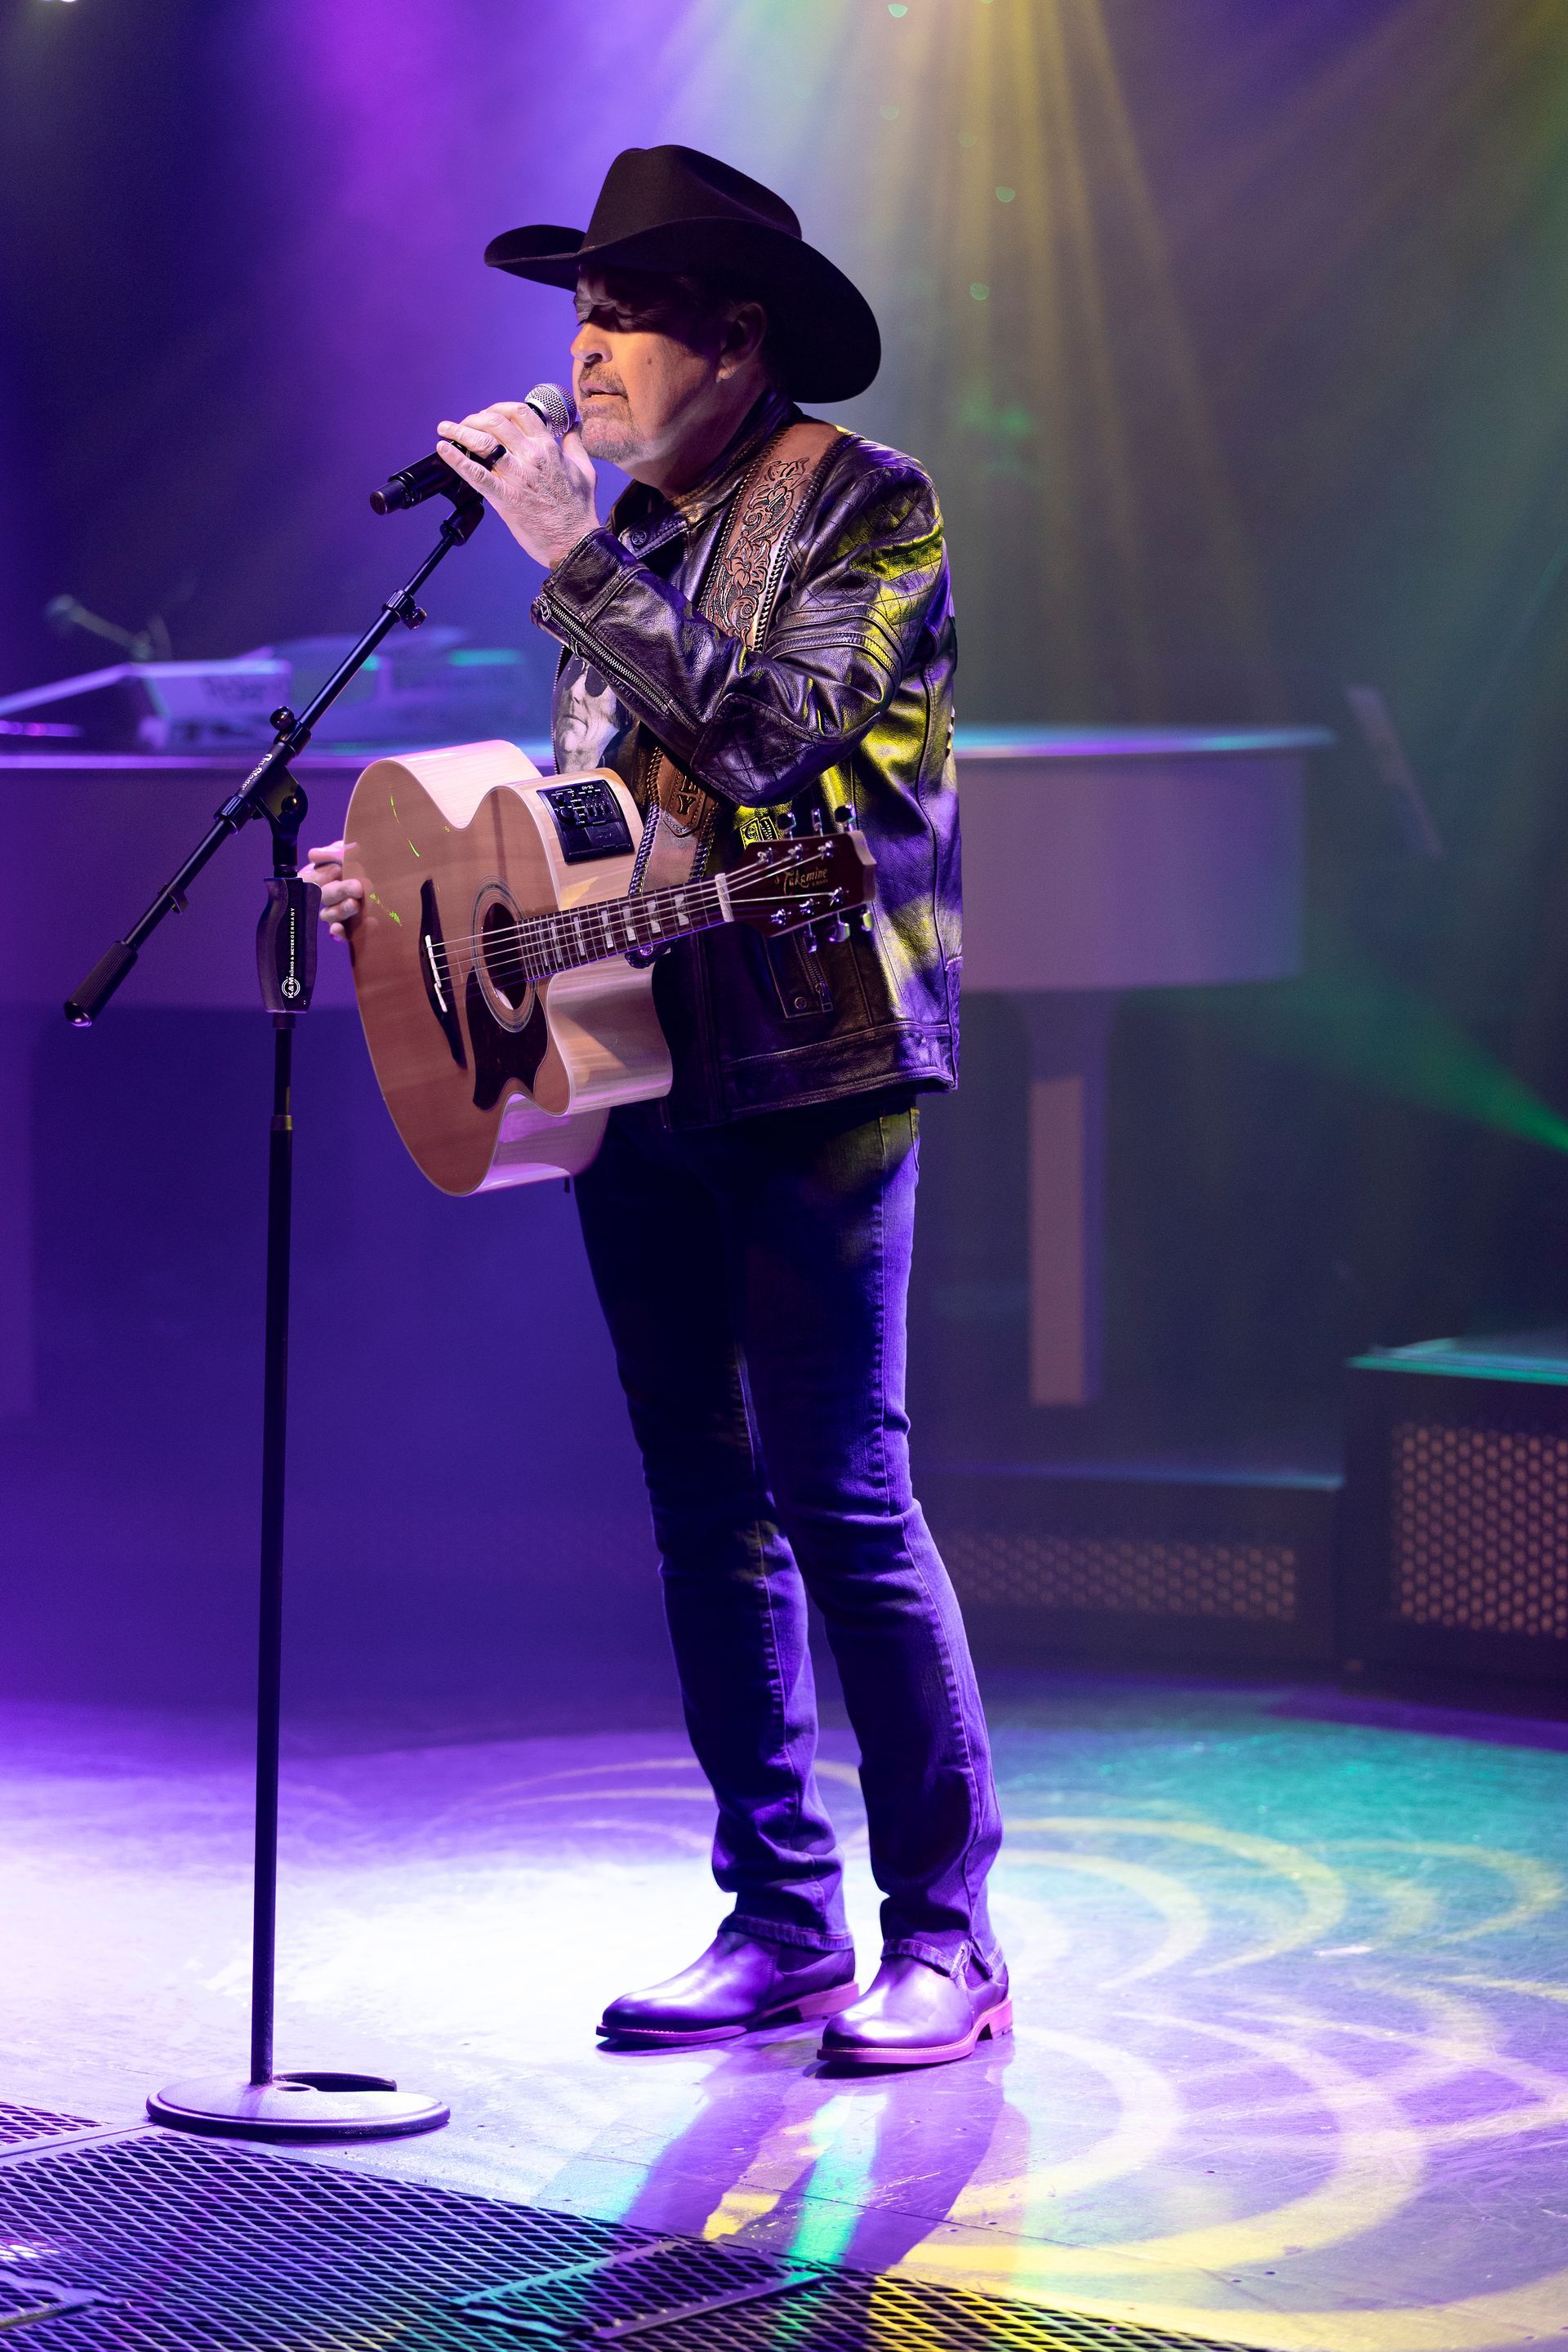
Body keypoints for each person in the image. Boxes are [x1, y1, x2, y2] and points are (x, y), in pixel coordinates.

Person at [306, 145, 1006, 2068]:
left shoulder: (866, 503)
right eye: (581, 316)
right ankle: (778, 1918)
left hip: (822, 1056)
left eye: (625, 318)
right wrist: (432, 894)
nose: (584, 356)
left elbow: (773, 744)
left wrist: (566, 548)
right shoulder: (621, 533)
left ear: (739, 337)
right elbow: (610, 825)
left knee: (841, 1494)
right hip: (642, 1064)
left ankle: (945, 1935)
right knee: (706, 1506)